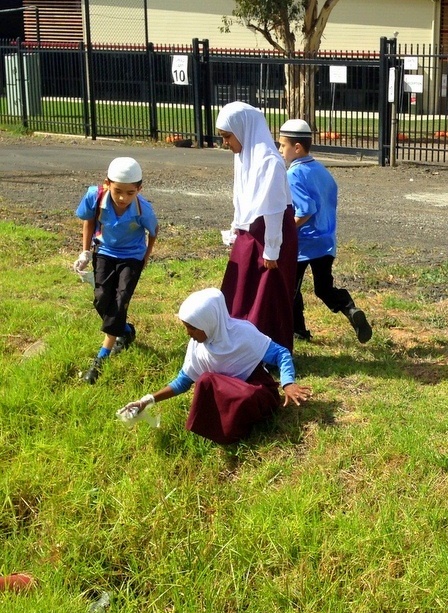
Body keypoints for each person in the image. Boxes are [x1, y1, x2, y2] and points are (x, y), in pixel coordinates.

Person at [119, 288, 311, 445]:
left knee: (230, 390)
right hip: (229, 396)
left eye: (192, 327)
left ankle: (239, 429)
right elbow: (182, 382)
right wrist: (146, 401)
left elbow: (280, 354)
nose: (188, 333)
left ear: (209, 322)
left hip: (256, 393)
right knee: (205, 381)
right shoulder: (198, 347)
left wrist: (288, 383)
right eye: (186, 327)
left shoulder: (243, 333)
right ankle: (221, 432)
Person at [278, 119, 372, 344]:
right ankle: (350, 309)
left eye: (283, 145)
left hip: (303, 243)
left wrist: (286, 229)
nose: (280, 150)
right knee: (323, 287)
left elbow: (306, 209)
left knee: (291, 289)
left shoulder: (293, 174)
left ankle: (298, 331)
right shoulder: (321, 170)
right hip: (326, 242)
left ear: (297, 148)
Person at [216, 101, 298, 352]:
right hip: (251, 232)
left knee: (265, 291)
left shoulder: (268, 161)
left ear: (243, 130)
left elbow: (273, 208)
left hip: (269, 235)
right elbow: (242, 197)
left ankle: (265, 349)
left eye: (227, 136)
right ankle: (240, 344)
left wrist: (272, 249)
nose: (225, 143)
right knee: (240, 285)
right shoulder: (245, 157)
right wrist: (236, 227)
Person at [73, 156, 158, 384]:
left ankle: (101, 357)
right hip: (105, 252)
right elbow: (88, 221)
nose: (123, 198)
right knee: (102, 298)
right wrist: (85, 251)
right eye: (117, 191)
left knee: (120, 300)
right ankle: (125, 329)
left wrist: (145, 258)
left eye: (130, 193)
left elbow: (154, 232)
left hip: (131, 257)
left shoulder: (143, 209)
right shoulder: (95, 196)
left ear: (139, 189)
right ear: (107, 184)